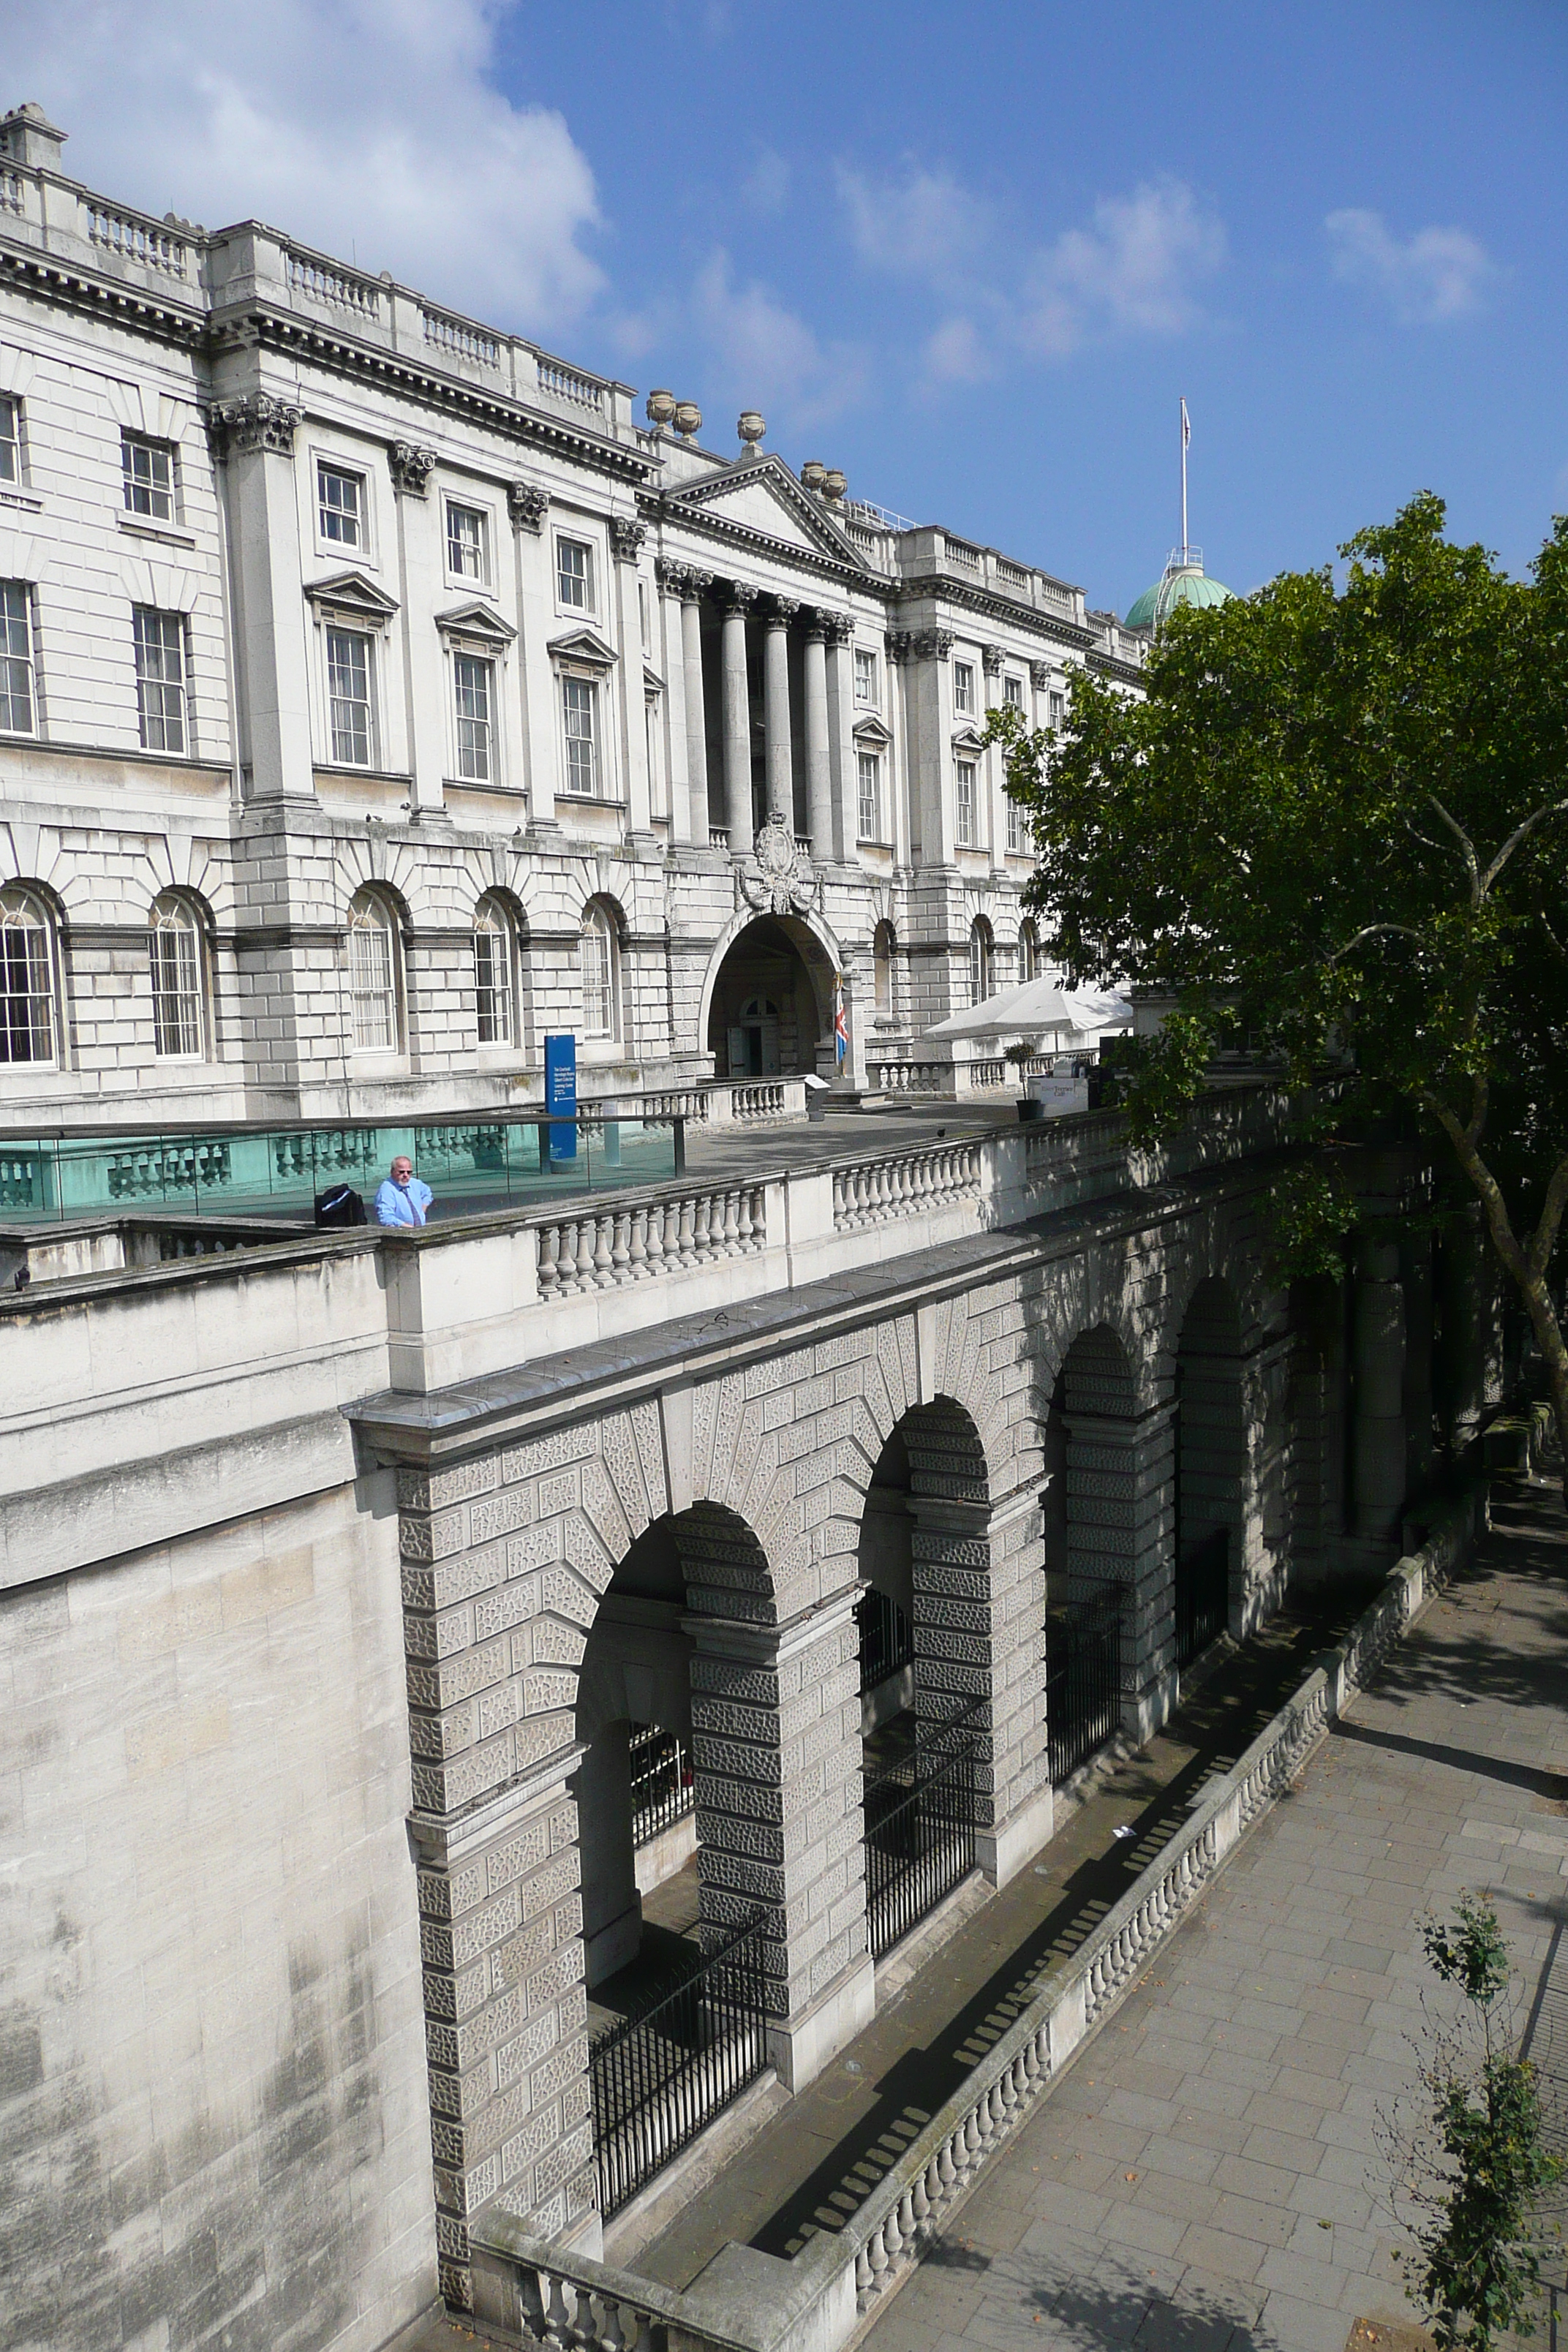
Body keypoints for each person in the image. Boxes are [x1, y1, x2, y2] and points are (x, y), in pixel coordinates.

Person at [373, 1156, 433, 1229]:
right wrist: (406, 1226)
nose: (406, 1175)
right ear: (392, 1171)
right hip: (401, 1233)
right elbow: (386, 1218)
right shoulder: (386, 1190)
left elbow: (427, 1192)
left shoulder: (415, 1183)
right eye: (401, 1172)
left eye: (409, 1172)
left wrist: (423, 1208)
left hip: (420, 1230)